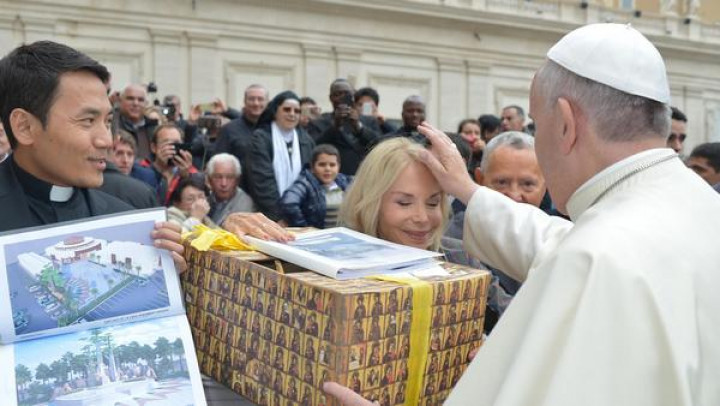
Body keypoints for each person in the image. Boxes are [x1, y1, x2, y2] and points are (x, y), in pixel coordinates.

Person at [324, 23, 720, 406]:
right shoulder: (696, 207)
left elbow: (581, 253)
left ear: (565, 124)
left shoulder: (596, 259)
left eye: (537, 124)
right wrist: (468, 190)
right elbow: (557, 242)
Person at [0, 40, 185, 270]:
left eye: (108, 121)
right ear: (25, 127)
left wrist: (168, 283)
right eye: (87, 121)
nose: (106, 141)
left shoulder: (130, 227)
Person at [245, 91, 315, 221]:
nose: (292, 114)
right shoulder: (261, 138)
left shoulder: (306, 140)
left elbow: (310, 179)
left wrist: (298, 215)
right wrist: (279, 217)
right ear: (275, 111)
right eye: (287, 109)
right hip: (270, 216)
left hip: (301, 215)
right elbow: (262, 181)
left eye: (297, 111)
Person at [307, 79, 382, 175]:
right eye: (337, 94)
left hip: (362, 176)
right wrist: (336, 126)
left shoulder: (369, 120)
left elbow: (378, 144)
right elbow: (314, 147)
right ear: (331, 98)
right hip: (332, 179)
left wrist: (358, 126)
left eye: (346, 94)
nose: (341, 98)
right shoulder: (319, 122)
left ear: (353, 96)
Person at [279, 144, 352, 228]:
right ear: (312, 167)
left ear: (338, 166)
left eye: (332, 165)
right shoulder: (305, 183)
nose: (327, 169)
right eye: (322, 164)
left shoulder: (344, 181)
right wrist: (304, 227)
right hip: (318, 238)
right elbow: (288, 203)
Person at [139, 123, 198, 205]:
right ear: (153, 147)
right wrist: (158, 171)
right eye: (166, 143)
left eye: (176, 143)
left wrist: (185, 178)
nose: (171, 148)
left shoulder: (192, 173)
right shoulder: (141, 170)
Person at [205, 152, 256, 225]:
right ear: (209, 179)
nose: (224, 183)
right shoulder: (205, 196)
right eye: (218, 177)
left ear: (237, 180)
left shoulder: (244, 206)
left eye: (229, 177)